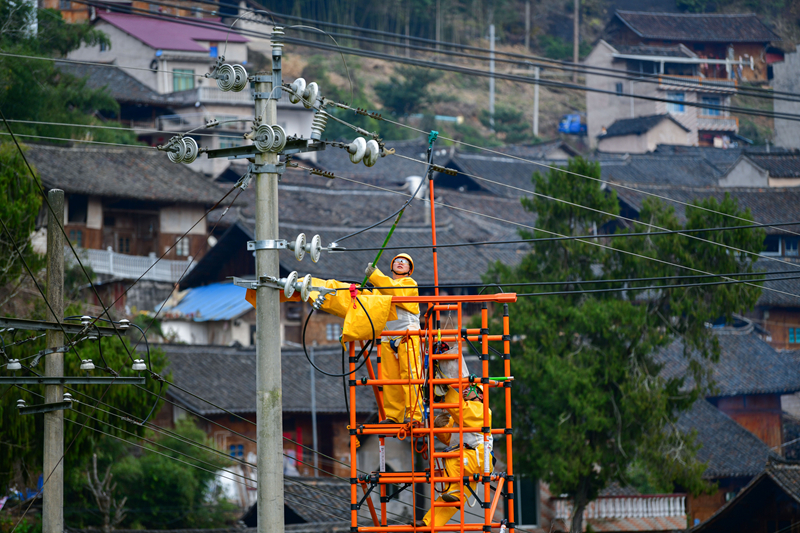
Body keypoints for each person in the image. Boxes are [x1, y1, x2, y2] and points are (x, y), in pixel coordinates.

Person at [421, 380, 493, 527]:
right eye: (465, 388)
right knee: (450, 499)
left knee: (453, 460)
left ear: (480, 396)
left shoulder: (481, 409)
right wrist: (440, 427)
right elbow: (450, 439)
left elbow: (463, 411)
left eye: (471, 389)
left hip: (475, 459)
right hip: (468, 461)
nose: (466, 390)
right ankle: (428, 524)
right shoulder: (458, 414)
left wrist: (446, 390)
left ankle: (452, 494)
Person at [365, 253, 423, 424]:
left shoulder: (409, 283)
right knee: (391, 380)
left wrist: (374, 275)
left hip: (407, 335)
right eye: (397, 261)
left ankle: (415, 416)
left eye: (404, 262)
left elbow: (394, 291)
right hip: (387, 337)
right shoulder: (380, 287)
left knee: (410, 376)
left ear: (409, 270)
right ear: (391, 267)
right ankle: (394, 416)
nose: (400, 263)